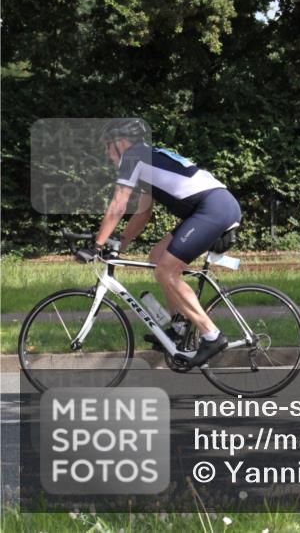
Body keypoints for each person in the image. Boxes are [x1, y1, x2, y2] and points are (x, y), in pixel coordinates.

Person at [77, 118, 241, 366]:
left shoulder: (133, 158)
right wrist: (120, 243)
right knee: (156, 257)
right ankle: (178, 326)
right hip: (211, 207)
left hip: (213, 208)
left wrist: (97, 245)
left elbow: (118, 204)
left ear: (121, 143)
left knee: (167, 269)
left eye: (107, 146)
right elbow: (143, 213)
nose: (106, 152)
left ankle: (212, 335)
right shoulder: (146, 159)